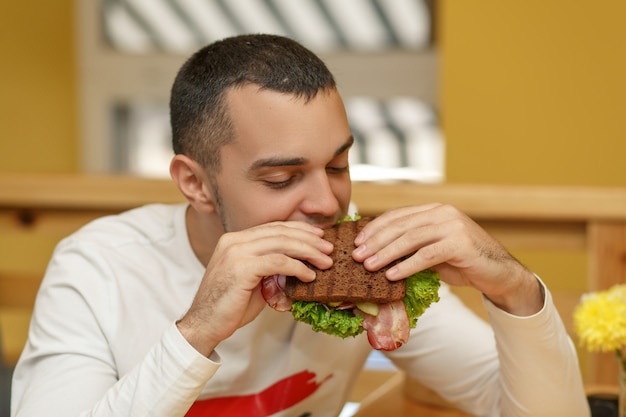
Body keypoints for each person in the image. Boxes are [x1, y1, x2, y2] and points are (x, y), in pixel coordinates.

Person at [11, 34, 589, 417]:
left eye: (338, 165)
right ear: (195, 182)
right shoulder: (98, 266)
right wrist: (197, 332)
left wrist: (514, 288)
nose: (327, 202)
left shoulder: (372, 267)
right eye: (282, 178)